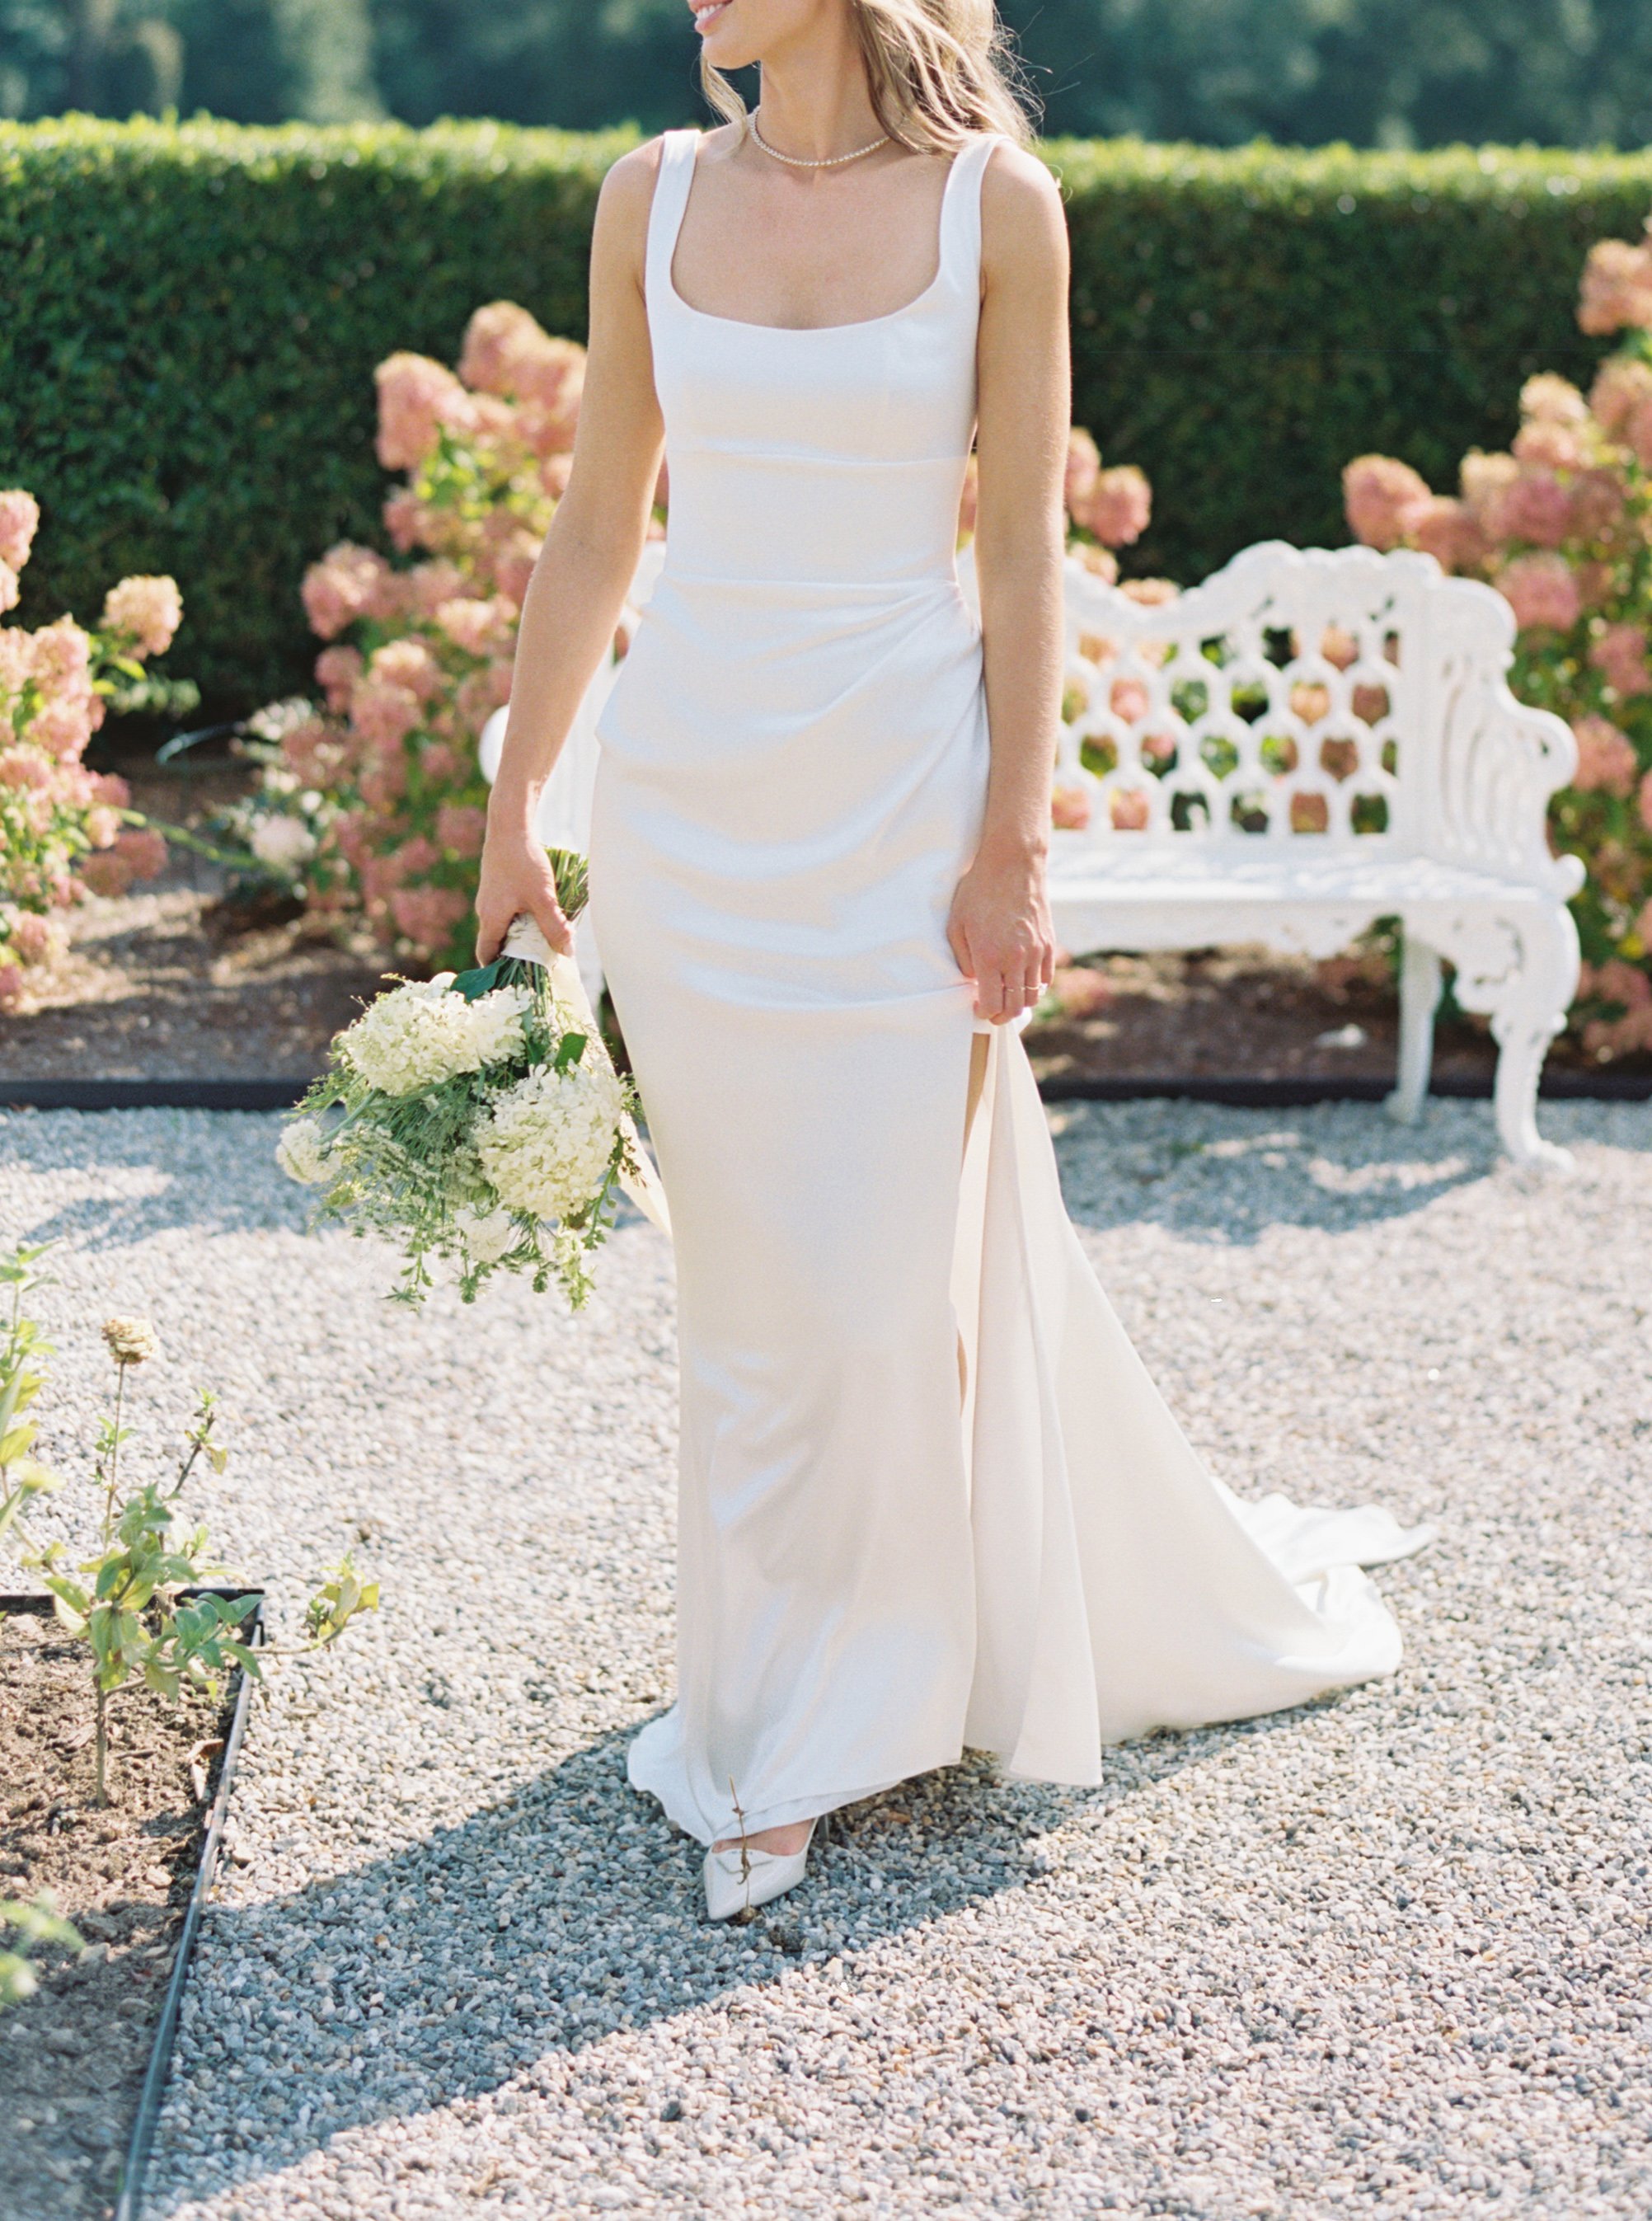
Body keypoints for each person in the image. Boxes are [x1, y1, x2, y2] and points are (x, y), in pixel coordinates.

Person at [476, 0, 1433, 1922]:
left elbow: (1021, 557)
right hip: (694, 817)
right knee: (757, 1301)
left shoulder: (1005, 206)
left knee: (870, 1286)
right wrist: (516, 809)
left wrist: (1012, 845)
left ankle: (857, 1691)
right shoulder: (646, 195)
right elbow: (599, 525)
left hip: (902, 807)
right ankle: (777, 1723)